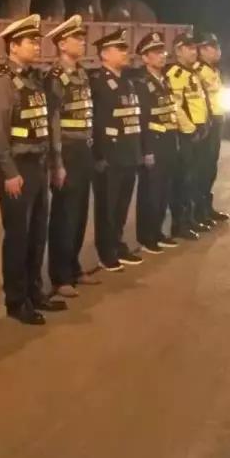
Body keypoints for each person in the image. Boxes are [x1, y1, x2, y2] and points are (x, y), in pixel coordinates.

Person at [0, 14, 67, 325]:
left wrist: (53, 163)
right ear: (13, 46)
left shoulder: (34, 79)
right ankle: (16, 300)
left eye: (37, 41)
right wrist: (9, 172)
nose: (36, 46)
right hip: (16, 168)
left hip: (37, 165)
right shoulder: (2, 82)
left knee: (37, 234)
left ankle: (35, 292)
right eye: (31, 42)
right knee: (18, 237)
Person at [44, 15, 101, 298]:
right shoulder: (54, 77)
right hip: (66, 150)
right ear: (62, 44)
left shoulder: (82, 73)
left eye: (82, 37)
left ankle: (74, 267)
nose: (82, 42)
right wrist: (57, 162)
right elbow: (53, 120)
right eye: (76, 38)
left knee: (79, 214)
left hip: (83, 149)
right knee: (64, 215)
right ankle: (60, 276)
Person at [90, 28, 143, 272]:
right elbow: (95, 122)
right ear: (104, 54)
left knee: (121, 205)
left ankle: (117, 244)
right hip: (109, 156)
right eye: (119, 49)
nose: (125, 53)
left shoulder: (127, 81)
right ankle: (106, 252)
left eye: (125, 48)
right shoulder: (98, 82)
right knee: (107, 207)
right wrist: (99, 155)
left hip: (128, 153)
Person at [133, 32, 181, 254]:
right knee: (150, 193)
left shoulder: (164, 80)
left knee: (163, 191)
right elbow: (142, 119)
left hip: (168, 142)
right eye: (155, 52)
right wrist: (146, 150)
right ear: (145, 58)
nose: (162, 56)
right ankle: (146, 236)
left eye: (162, 51)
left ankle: (158, 231)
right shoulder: (142, 83)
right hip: (153, 143)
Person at [167, 30, 210, 237]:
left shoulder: (192, 73)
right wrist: (190, 129)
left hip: (199, 132)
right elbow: (175, 106)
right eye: (190, 48)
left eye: (195, 48)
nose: (195, 52)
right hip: (186, 135)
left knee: (193, 178)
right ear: (178, 51)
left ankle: (191, 218)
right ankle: (180, 224)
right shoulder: (176, 74)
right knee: (183, 180)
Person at [193, 32, 230, 225]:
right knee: (202, 168)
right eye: (213, 47)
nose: (218, 51)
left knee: (210, 168)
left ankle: (207, 207)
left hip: (217, 121)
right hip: (206, 123)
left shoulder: (213, 70)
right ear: (202, 50)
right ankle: (198, 211)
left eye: (217, 47)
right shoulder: (198, 71)